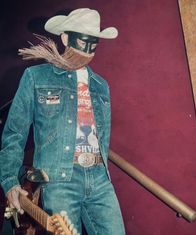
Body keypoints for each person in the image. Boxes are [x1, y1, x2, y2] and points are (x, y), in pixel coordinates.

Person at [0, 8, 125, 235]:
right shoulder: (36, 77)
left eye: (93, 44)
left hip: (99, 178)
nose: (87, 50)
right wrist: (9, 180)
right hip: (59, 178)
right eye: (81, 41)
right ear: (66, 38)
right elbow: (14, 132)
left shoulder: (100, 86)